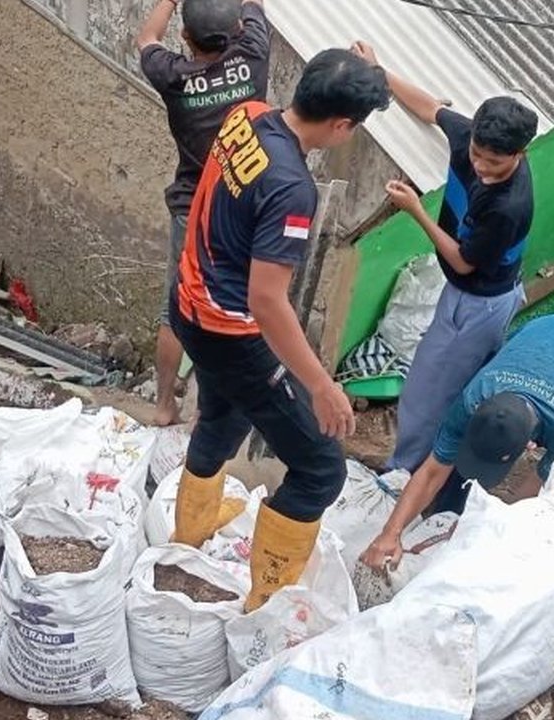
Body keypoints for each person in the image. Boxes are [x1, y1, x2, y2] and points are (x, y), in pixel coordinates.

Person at [169, 49, 390, 611]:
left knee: (223, 411)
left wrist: (363, 70)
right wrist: (321, 384)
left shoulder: (247, 115)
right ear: (341, 125)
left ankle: (189, 533)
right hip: (229, 330)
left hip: (189, 304)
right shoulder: (293, 190)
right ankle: (266, 596)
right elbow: (266, 301)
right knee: (320, 467)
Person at [349, 42, 539, 476]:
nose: (483, 167)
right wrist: (380, 71)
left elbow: (464, 262)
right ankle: (441, 462)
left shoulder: (507, 206)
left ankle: (404, 471)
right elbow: (430, 108)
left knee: (427, 388)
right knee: (454, 383)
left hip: (479, 300)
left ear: (519, 154)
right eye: (478, 155)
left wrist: (416, 211)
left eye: (495, 162)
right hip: (479, 293)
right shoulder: (471, 137)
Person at [360, 313, 554, 571]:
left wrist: (482, 534)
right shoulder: (472, 399)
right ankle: (448, 512)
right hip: (543, 330)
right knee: (454, 476)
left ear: (529, 445)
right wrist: (389, 534)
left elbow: (534, 492)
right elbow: (433, 470)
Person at [137, 0, 271, 426]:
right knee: (231, 306)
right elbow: (255, 6)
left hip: (192, 206)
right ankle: (207, 412)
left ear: (186, 38)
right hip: (242, 205)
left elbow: (145, 39)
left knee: (176, 307)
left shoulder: (172, 75)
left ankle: (163, 404)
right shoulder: (253, 55)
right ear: (235, 29)